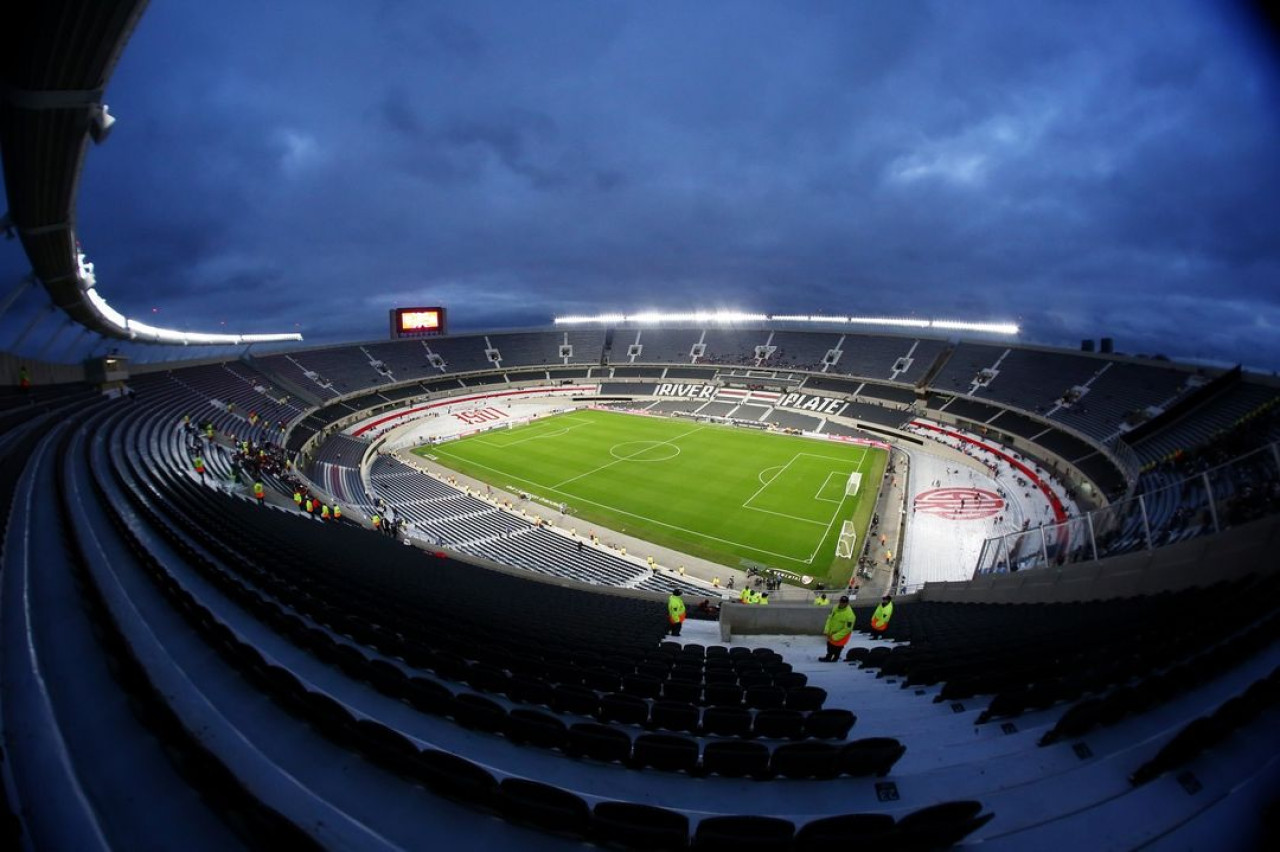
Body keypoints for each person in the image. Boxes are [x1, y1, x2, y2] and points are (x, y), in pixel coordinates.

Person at [820, 596, 856, 662]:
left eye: (844, 602)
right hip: (831, 633)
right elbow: (830, 618)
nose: (842, 604)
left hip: (841, 635)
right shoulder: (835, 607)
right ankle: (829, 657)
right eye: (841, 602)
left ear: (847, 603)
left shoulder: (850, 615)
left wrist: (835, 636)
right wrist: (827, 630)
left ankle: (835, 658)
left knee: (837, 648)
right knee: (830, 646)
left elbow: (847, 629)